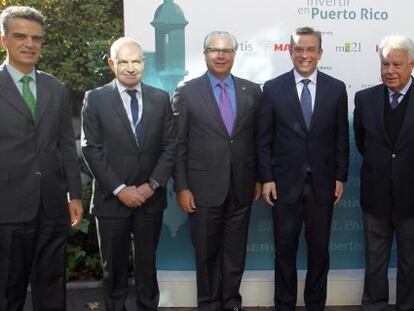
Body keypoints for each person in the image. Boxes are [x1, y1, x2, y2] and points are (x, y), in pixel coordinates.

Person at [257, 26, 349, 311]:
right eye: (299, 49)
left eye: (311, 49)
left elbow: (341, 139)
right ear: (290, 52)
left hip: (322, 184)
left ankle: (315, 305)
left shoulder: (336, 88)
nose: (304, 55)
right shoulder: (272, 88)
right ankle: (284, 305)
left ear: (320, 52)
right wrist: (267, 178)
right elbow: (263, 139)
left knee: (319, 253)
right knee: (284, 251)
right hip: (284, 185)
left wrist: (340, 176)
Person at [81, 37, 176, 311]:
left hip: (151, 200)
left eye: (136, 61)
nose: (130, 68)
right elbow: (91, 149)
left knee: (148, 268)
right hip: (112, 202)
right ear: (112, 64)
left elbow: (170, 147)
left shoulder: (160, 98)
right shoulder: (95, 98)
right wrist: (121, 189)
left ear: (144, 64)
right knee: (114, 272)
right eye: (123, 61)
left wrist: (152, 185)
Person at [0, 6, 83, 311]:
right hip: (6, 206)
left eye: (36, 38)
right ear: (3, 40)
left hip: (52, 206)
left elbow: (64, 147)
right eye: (20, 36)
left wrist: (74, 193)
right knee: (8, 289)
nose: (30, 44)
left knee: (52, 286)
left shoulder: (56, 88)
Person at [172, 30, 262, 311]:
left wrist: (259, 178)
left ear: (235, 54)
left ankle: (232, 303)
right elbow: (178, 144)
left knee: (235, 254)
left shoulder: (252, 90)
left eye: (226, 50)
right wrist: (182, 186)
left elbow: (258, 139)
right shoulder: (186, 92)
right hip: (201, 189)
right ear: (205, 55)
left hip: (242, 187)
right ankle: (209, 305)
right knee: (207, 255)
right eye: (214, 50)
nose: (221, 55)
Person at [353, 34, 414, 311]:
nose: (390, 71)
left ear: (411, 65)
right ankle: (374, 305)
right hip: (376, 195)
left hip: (412, 197)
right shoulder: (364, 99)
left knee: (410, 260)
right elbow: (363, 142)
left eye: (397, 65)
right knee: (374, 259)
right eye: (385, 64)